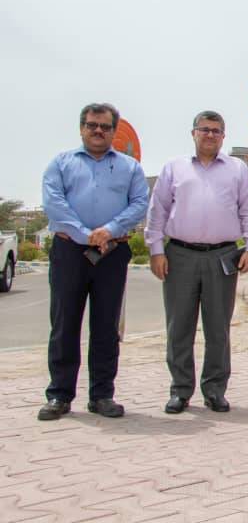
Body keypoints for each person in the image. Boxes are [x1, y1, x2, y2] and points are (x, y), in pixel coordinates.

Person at [39, 103, 149, 420]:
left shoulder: (130, 168)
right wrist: (85, 234)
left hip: (111, 253)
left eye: (104, 126)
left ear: (114, 131)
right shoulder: (61, 163)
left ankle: (102, 395)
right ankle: (59, 395)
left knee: (106, 326)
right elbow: (54, 203)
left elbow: (140, 203)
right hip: (69, 251)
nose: (98, 131)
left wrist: (109, 230)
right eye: (92, 125)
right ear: (81, 128)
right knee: (64, 324)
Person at [145, 111, 248, 415]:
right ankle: (180, 390)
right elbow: (157, 210)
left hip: (223, 256)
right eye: (204, 129)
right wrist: (156, 250)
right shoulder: (174, 167)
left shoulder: (237, 169)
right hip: (179, 255)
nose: (210, 135)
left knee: (218, 328)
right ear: (193, 133)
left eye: (216, 131)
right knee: (179, 327)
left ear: (223, 136)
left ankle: (215, 390)